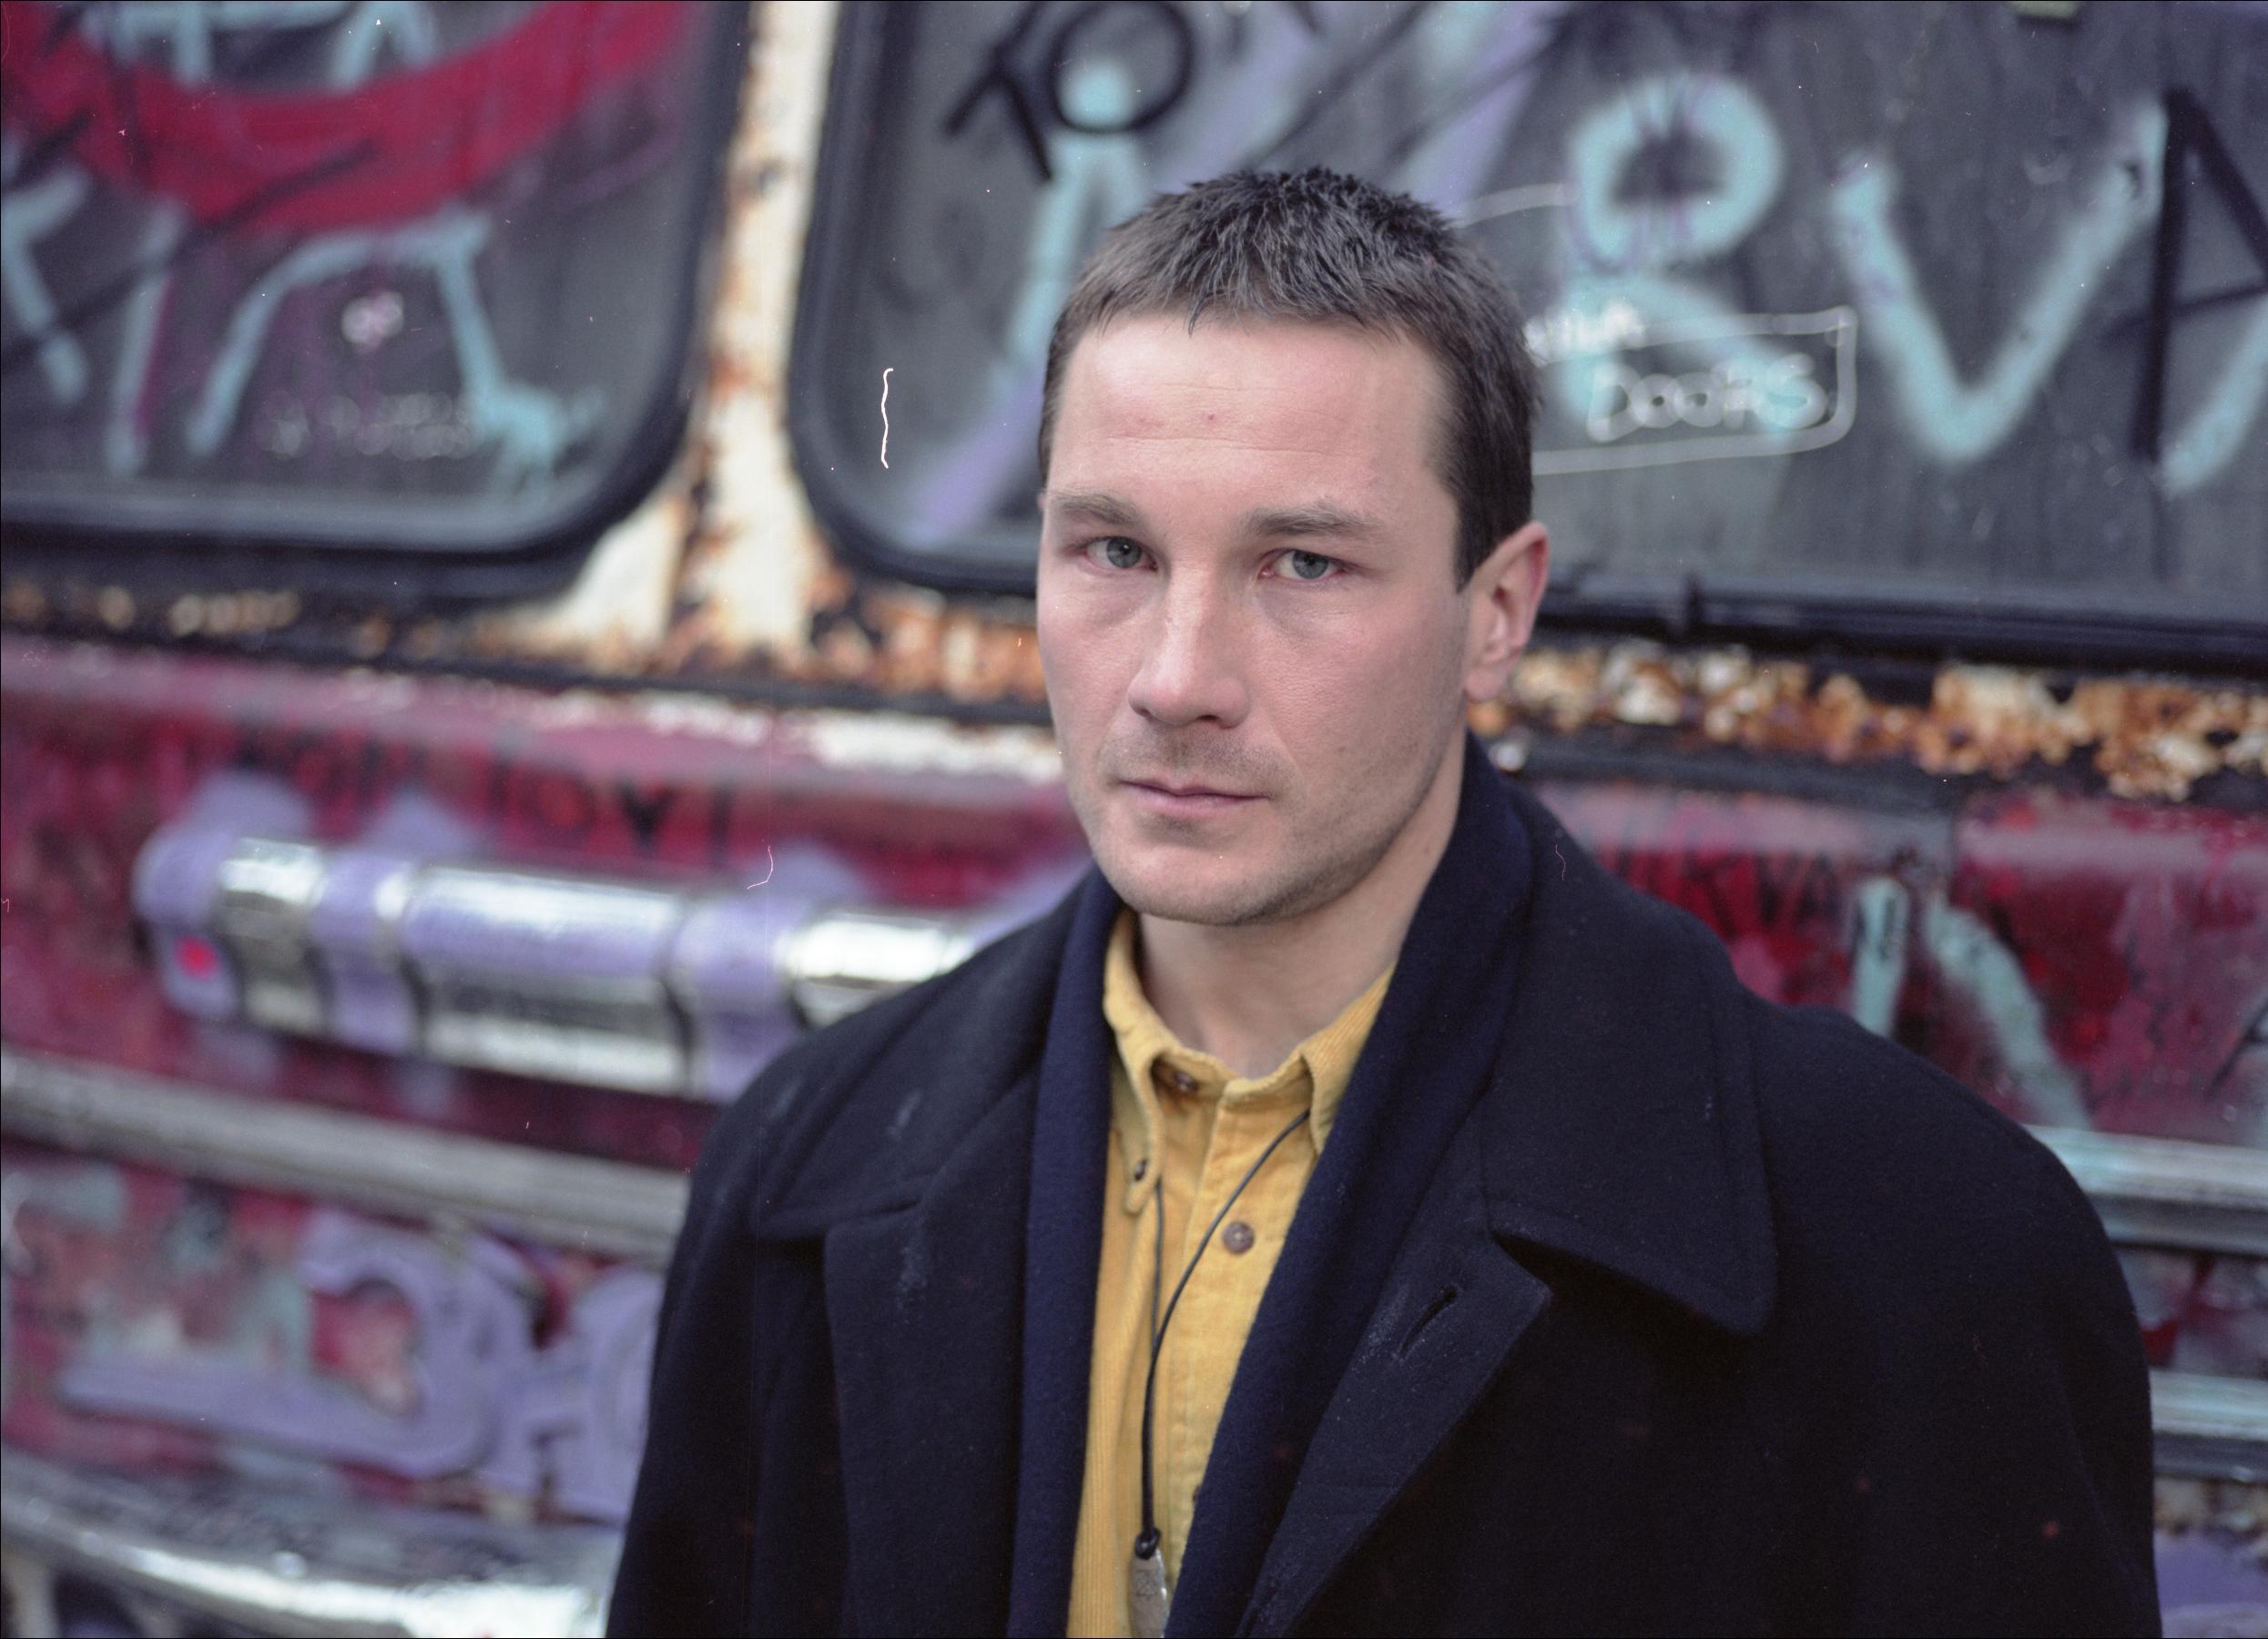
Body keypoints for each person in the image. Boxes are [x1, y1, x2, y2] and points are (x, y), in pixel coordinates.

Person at [609, 168, 2159, 1637]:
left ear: (1498, 612)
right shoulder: (801, 1170)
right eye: (1114, 550)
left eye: (1302, 565)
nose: (1176, 679)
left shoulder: (1922, 1254)